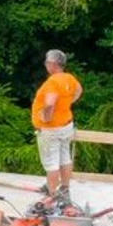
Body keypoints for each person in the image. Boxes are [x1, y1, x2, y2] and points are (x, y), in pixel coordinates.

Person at [31, 49, 82, 206]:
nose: (46, 65)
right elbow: (79, 91)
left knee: (51, 162)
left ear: (53, 64)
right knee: (65, 157)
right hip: (66, 125)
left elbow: (50, 102)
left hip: (51, 129)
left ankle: (52, 194)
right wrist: (66, 105)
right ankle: (65, 189)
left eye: (47, 62)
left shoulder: (53, 82)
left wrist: (46, 117)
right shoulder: (69, 78)